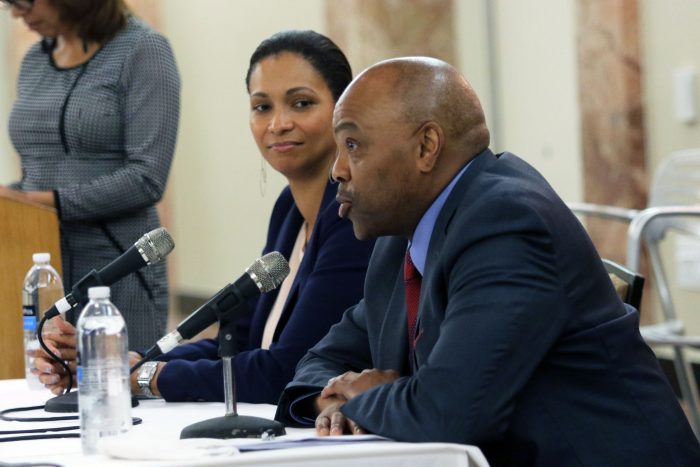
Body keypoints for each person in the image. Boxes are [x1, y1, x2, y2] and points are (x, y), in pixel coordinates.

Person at [275, 57, 700, 465]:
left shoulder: (506, 224)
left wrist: (365, 396)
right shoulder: (401, 239)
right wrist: (333, 399)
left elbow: (449, 412)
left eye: (352, 145)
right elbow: (319, 361)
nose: (338, 171)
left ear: (426, 146)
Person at [32, 30, 376, 405]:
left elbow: (288, 370)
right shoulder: (289, 211)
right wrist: (117, 364)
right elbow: (238, 342)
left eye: (301, 103)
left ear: (342, 111)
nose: (278, 123)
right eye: (262, 107)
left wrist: (147, 376)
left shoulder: (353, 219)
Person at [0, 0, 180, 349]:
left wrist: (41, 202)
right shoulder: (35, 60)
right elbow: (36, 171)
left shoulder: (143, 50)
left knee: (119, 391)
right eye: (11, 5)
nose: (19, 14)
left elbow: (148, 177)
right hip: (40, 264)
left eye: (25, 2)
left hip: (117, 269)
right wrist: (13, 195)